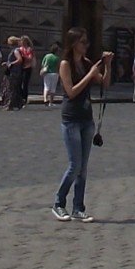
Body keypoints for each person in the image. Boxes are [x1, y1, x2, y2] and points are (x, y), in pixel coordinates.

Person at [51, 29, 111, 221]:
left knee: (83, 167)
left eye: (87, 42)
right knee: (74, 165)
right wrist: (90, 74)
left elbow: (104, 83)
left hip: (87, 119)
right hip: (71, 119)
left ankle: (78, 207)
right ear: (74, 43)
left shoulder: (86, 63)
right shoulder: (65, 64)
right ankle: (59, 203)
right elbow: (71, 91)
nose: (86, 45)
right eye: (83, 42)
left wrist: (106, 66)